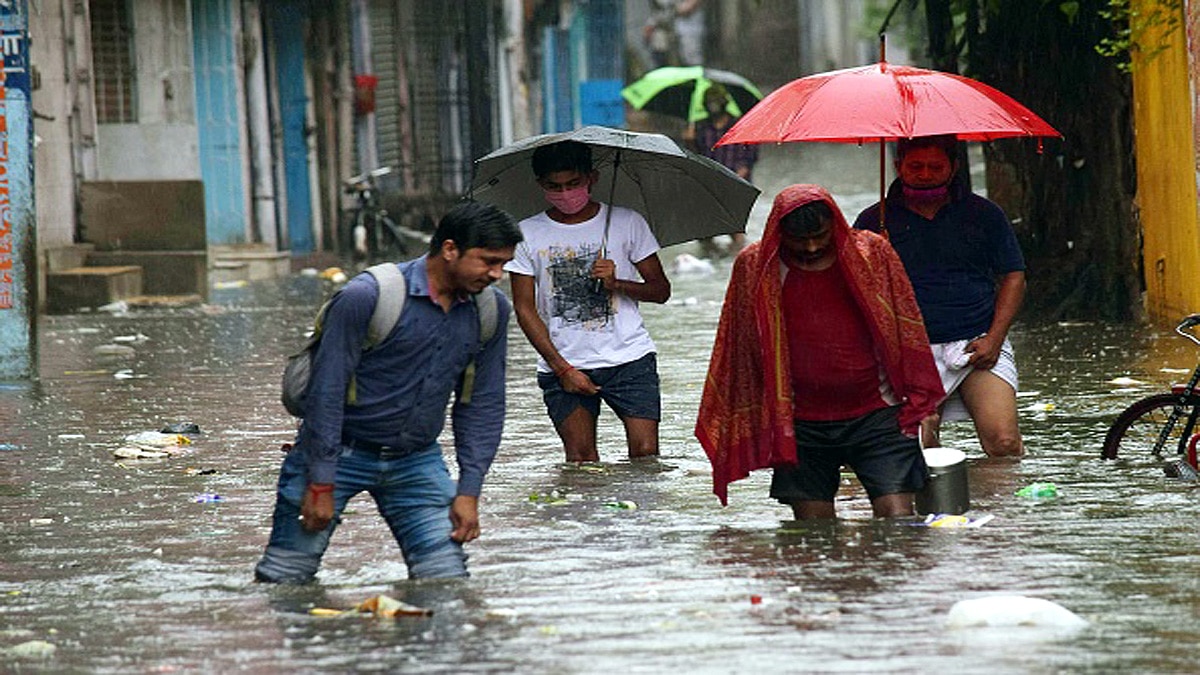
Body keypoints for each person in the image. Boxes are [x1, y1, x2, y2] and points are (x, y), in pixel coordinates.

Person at [254, 201, 523, 583]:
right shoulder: (366, 296)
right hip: (336, 453)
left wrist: (469, 489)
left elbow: (482, 403)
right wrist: (320, 481)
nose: (497, 274)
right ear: (449, 250)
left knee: (446, 583)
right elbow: (325, 392)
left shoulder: (490, 311)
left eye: (504, 263)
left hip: (417, 460)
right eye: (488, 261)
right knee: (285, 581)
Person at [695, 184, 944, 518]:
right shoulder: (755, 266)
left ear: (835, 226)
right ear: (778, 233)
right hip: (798, 421)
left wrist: (921, 404)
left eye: (820, 236)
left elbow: (906, 326)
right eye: (799, 240)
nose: (811, 247)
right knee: (813, 535)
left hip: (877, 413)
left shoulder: (872, 254)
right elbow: (738, 345)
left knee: (898, 520)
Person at [854, 134, 1026, 457]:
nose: (925, 174)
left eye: (935, 167)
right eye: (915, 166)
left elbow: (1014, 277)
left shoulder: (985, 215)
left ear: (954, 168)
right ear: (897, 166)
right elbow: (855, 291)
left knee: (1004, 443)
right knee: (917, 445)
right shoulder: (872, 222)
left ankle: (1000, 508)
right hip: (905, 351)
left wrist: (995, 338)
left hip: (976, 343)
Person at [504, 140, 672, 463]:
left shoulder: (628, 223)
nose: (565, 194)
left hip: (630, 358)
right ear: (541, 184)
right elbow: (524, 308)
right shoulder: (525, 233)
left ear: (591, 178)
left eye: (573, 184)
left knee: (646, 456)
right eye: (555, 187)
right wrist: (562, 368)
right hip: (564, 362)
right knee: (581, 462)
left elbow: (661, 291)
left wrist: (617, 283)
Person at [688, 84, 757, 256]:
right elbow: (694, 157)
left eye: (715, 102)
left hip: (735, 184)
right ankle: (710, 258)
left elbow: (751, 155)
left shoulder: (740, 125)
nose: (713, 107)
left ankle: (737, 260)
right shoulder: (700, 127)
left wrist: (741, 173)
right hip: (708, 186)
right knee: (705, 233)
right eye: (709, 103)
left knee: (735, 230)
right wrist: (689, 141)